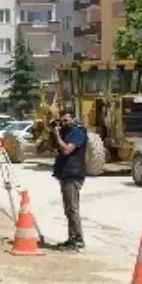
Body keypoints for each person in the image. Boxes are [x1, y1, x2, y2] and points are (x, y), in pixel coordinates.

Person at [51, 107, 88, 251]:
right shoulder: (65, 132)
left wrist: (57, 134)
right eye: (62, 120)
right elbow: (49, 148)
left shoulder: (78, 132)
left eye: (67, 119)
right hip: (65, 174)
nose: (65, 123)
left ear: (73, 118)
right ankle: (72, 237)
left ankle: (77, 240)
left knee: (72, 208)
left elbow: (66, 149)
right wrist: (53, 133)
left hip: (74, 174)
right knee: (68, 209)